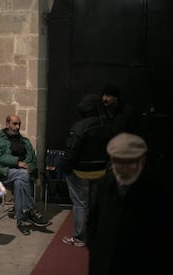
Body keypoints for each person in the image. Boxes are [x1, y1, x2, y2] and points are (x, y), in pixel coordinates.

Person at [87, 132, 173, 275]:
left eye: (130, 162)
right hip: (104, 267)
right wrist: (97, 251)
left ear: (142, 160)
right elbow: (93, 223)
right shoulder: (103, 186)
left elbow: (166, 246)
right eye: (118, 161)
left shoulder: (159, 194)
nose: (124, 168)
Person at [61, 94, 113, 247]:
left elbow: (71, 151)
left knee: (80, 204)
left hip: (79, 172)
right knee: (96, 204)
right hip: (100, 171)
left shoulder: (79, 126)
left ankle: (79, 238)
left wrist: (65, 168)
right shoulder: (107, 125)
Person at [0, 115, 49, 235]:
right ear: (7, 124)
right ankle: (31, 210)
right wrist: (17, 162)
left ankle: (20, 221)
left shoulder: (24, 141)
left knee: (20, 181)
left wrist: (29, 168)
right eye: (14, 124)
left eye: (19, 124)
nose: (17, 127)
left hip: (21, 175)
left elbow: (32, 159)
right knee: (22, 175)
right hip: (3, 173)